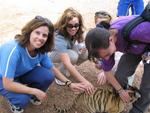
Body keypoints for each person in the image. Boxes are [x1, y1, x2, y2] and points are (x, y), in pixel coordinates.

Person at [0, 16, 91, 113]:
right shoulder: (13, 50)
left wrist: (69, 84)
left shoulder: (40, 49)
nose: (40, 38)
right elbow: (8, 84)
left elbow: (52, 69)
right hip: (3, 79)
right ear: (29, 32)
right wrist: (33, 91)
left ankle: (27, 93)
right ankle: (16, 102)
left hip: (20, 73)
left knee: (48, 75)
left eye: (44, 35)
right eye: (37, 33)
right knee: (22, 100)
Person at [85, 15, 150, 113]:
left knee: (147, 84)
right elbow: (107, 71)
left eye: (107, 54)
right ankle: (121, 100)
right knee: (120, 75)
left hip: (144, 42)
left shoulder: (138, 31)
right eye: (103, 57)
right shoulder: (104, 42)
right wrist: (120, 91)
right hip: (134, 48)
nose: (106, 58)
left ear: (111, 40)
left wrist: (148, 54)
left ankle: (138, 110)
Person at [49, 8, 94, 94]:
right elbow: (66, 62)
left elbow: (82, 43)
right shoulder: (59, 36)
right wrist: (84, 81)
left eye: (76, 25)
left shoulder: (78, 30)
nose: (73, 28)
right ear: (64, 25)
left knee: (86, 53)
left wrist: (84, 48)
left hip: (66, 51)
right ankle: (59, 76)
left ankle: (68, 69)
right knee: (73, 56)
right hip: (52, 54)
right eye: (70, 26)